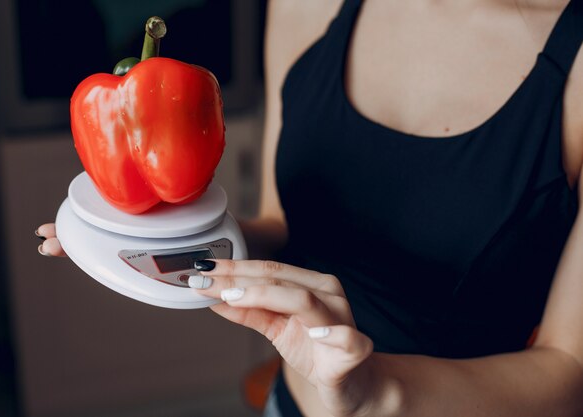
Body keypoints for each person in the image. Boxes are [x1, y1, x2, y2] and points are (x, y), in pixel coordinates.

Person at [36, 0, 583, 416]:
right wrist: (163, 247)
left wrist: (373, 392)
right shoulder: (307, 4)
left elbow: (570, 368)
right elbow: (282, 223)